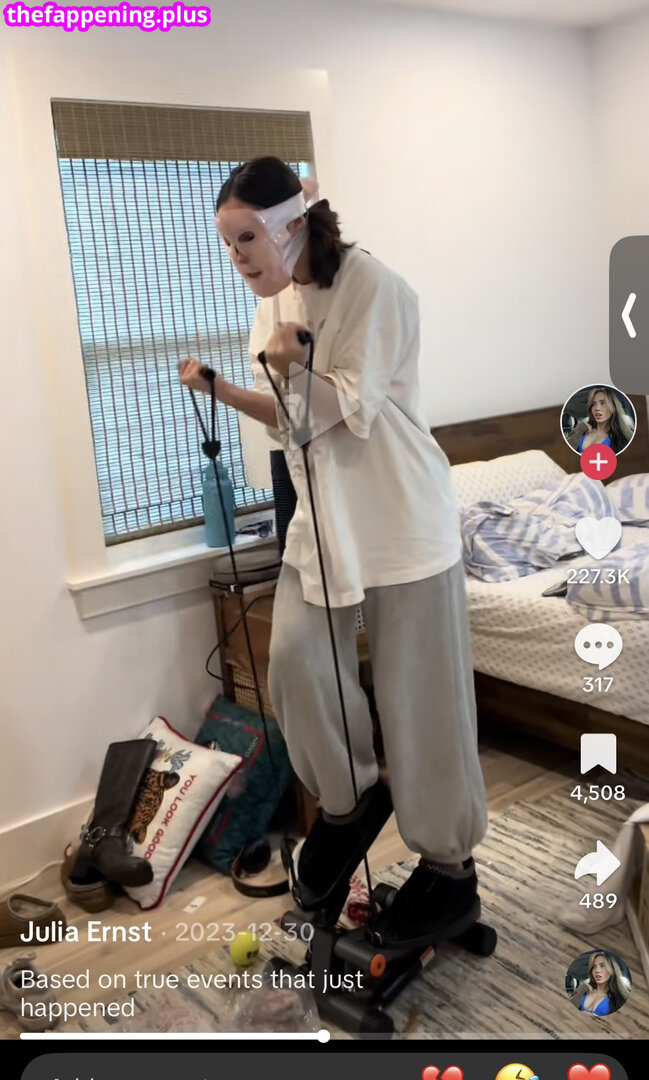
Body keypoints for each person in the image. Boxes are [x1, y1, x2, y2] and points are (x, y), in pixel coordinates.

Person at [179, 156, 488, 944]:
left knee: (419, 702)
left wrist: (294, 360)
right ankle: (349, 807)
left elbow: (345, 410)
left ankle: (448, 871)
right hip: (322, 521)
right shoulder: (275, 302)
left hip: (400, 520)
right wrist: (222, 388)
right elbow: (290, 417)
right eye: (227, 244)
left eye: (246, 239)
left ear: (289, 225)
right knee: (295, 664)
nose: (237, 257)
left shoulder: (374, 288)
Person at [566, 387, 634, 454]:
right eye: (593, 404)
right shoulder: (582, 431)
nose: (597, 408)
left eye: (603, 403)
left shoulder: (623, 438)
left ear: (613, 407)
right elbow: (565, 453)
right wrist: (578, 430)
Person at [570, 951, 630, 1016]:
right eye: (594, 967)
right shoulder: (584, 991)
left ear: (612, 970)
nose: (597, 970)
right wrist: (581, 989)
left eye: (602, 966)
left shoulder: (619, 998)